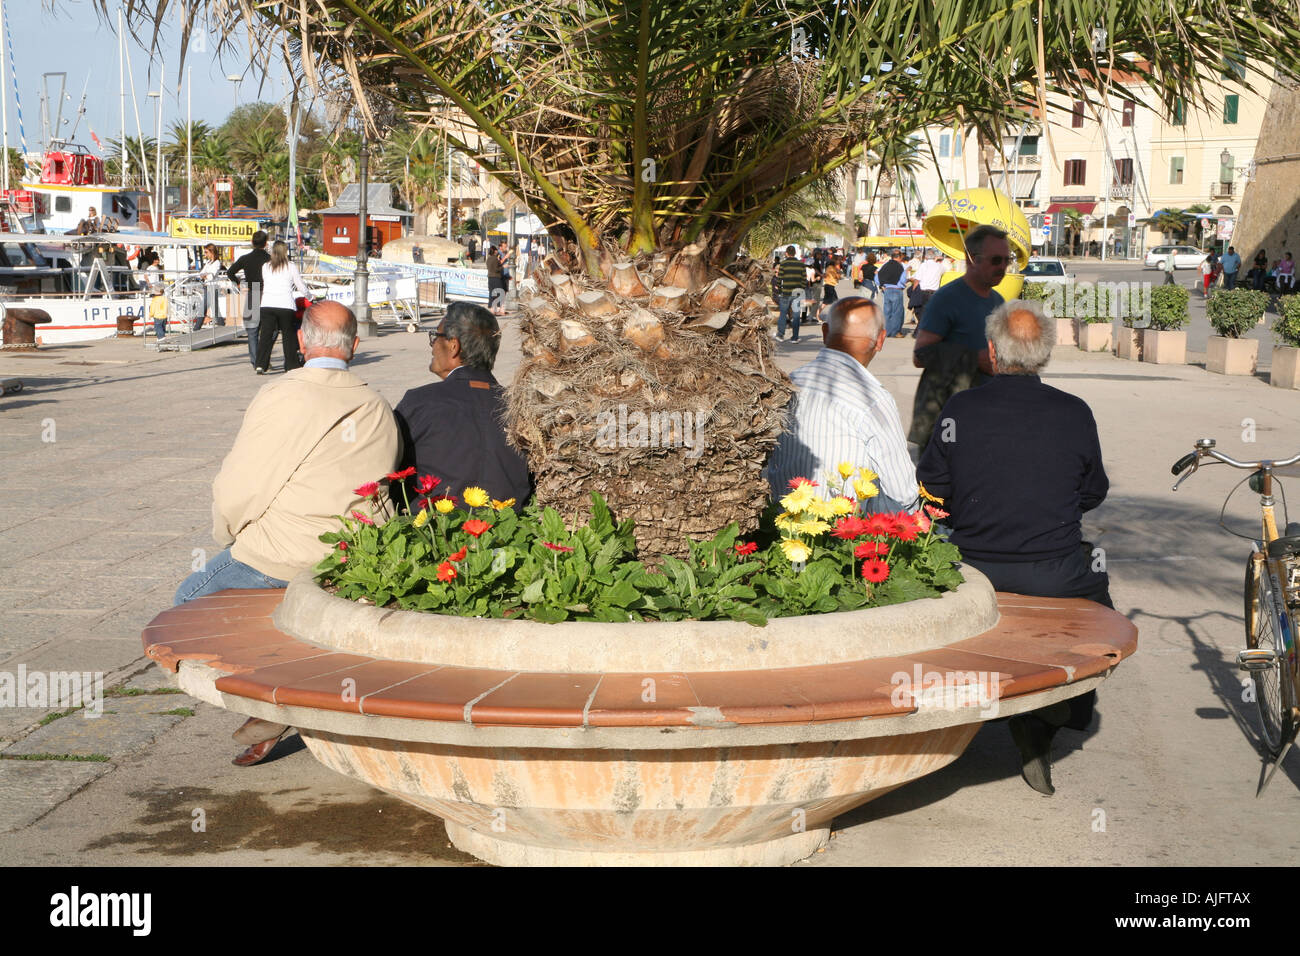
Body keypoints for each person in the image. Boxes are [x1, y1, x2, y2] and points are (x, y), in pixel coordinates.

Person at [174, 300, 400, 765]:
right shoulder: (377, 405)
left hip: (277, 559)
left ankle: (270, 698)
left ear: (300, 341)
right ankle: (284, 697)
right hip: (351, 558)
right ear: (354, 346)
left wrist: (229, 536)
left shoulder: (284, 394)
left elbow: (241, 487)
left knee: (183, 609)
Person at [916, 299, 1110, 796]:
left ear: (992, 352)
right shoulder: (1074, 411)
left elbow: (933, 486)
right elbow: (1093, 491)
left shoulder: (962, 408)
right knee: (1099, 614)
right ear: (1045, 354)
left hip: (973, 568)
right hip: (1058, 571)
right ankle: (1055, 715)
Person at [766, 296, 918, 514]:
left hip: (783, 519)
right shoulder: (873, 399)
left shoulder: (792, 382)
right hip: (844, 534)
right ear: (881, 340)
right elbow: (903, 492)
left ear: (825, 332)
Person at [392, 302, 532, 509]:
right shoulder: (520, 407)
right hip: (511, 530)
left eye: (435, 337)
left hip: (433, 532)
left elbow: (391, 471)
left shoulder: (420, 402)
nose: (432, 345)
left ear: (453, 346)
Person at [908, 225, 1006, 449]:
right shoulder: (947, 299)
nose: (1002, 267)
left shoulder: (998, 300)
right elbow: (920, 355)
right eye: (995, 260)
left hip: (985, 413)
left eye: (1006, 260)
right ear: (972, 259)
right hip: (947, 415)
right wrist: (974, 359)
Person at [254, 241, 309, 374]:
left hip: (267, 304)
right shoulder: (290, 266)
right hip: (285, 304)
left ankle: (260, 364)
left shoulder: (266, 266)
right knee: (288, 335)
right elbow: (300, 285)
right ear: (285, 252)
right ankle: (290, 364)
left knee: (266, 335)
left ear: (272, 251)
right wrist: (310, 296)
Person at [227, 231, 272, 367]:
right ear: (266, 243)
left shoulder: (245, 258)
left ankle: (255, 361)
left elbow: (230, 272)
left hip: (253, 292)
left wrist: (239, 282)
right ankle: (264, 360)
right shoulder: (270, 259)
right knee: (268, 331)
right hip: (268, 294)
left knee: (252, 331)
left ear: (252, 242)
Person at [774, 245, 806, 342]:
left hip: (785, 293)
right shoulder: (801, 264)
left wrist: (779, 290)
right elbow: (804, 280)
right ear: (795, 253)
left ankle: (780, 335)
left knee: (783, 314)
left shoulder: (783, 264)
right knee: (796, 315)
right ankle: (795, 337)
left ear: (786, 253)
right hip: (797, 294)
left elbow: (779, 280)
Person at [876, 249, 908, 338]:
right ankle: (896, 332)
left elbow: (877, 276)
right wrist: (903, 285)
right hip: (897, 290)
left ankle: (887, 331)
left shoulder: (885, 265)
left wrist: (881, 285)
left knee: (887, 312)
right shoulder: (901, 266)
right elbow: (903, 279)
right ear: (899, 257)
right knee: (897, 312)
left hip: (887, 290)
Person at [913, 251, 947, 329]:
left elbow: (917, 279)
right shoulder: (939, 266)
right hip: (935, 292)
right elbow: (944, 270)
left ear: (926, 258)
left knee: (922, 312)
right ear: (935, 257)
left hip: (924, 292)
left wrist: (914, 290)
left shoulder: (923, 265)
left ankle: (921, 330)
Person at [198, 243, 226, 329]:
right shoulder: (208, 262)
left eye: (206, 252)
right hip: (207, 286)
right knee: (214, 308)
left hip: (213, 287)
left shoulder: (217, 263)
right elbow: (201, 273)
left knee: (204, 307)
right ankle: (222, 325)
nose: (205, 254)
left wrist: (205, 275)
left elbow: (211, 276)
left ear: (211, 252)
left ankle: (196, 327)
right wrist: (205, 275)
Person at [486, 244, 506, 315]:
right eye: (496, 250)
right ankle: (500, 309)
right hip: (496, 278)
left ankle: (492, 310)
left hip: (490, 278)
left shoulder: (488, 259)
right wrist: (503, 267)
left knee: (492, 293)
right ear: (494, 251)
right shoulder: (495, 259)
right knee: (500, 293)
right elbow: (496, 269)